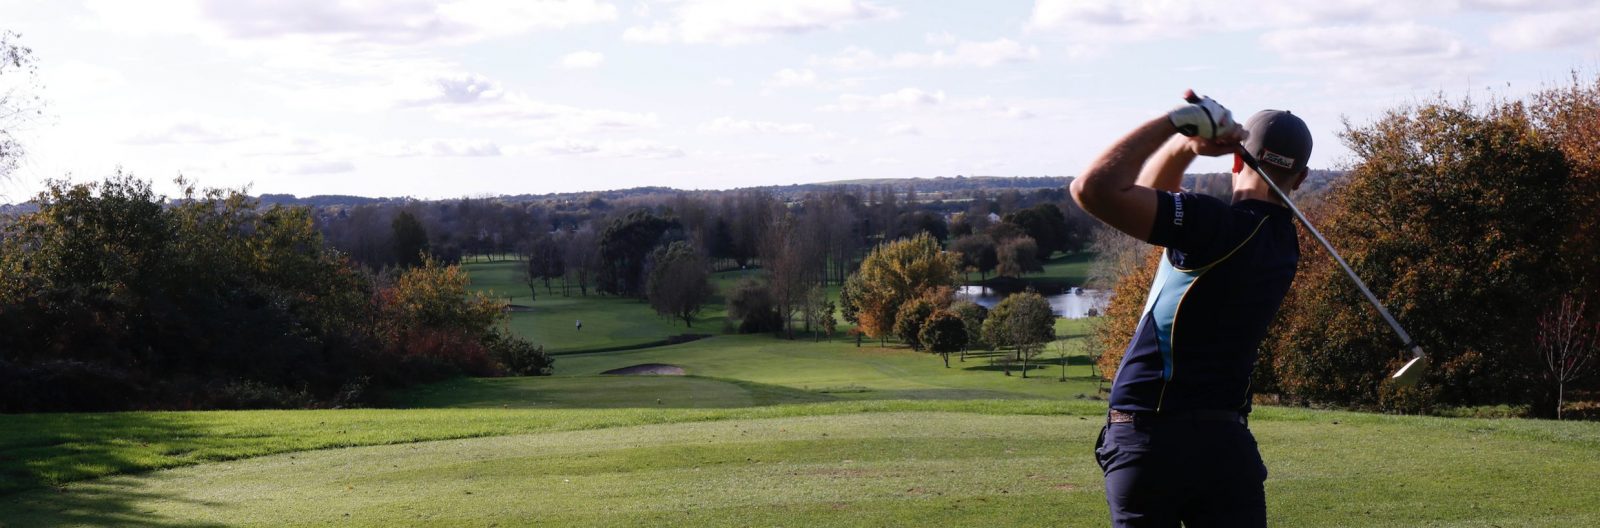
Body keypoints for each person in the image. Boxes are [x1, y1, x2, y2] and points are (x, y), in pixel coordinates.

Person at [1069, 91, 1313, 527]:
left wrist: (1178, 123)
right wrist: (1185, 147)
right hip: (1226, 447)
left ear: (1236, 161)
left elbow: (1092, 189)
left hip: (1149, 436)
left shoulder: (1212, 224)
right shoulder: (1284, 245)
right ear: (1302, 177)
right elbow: (1158, 206)